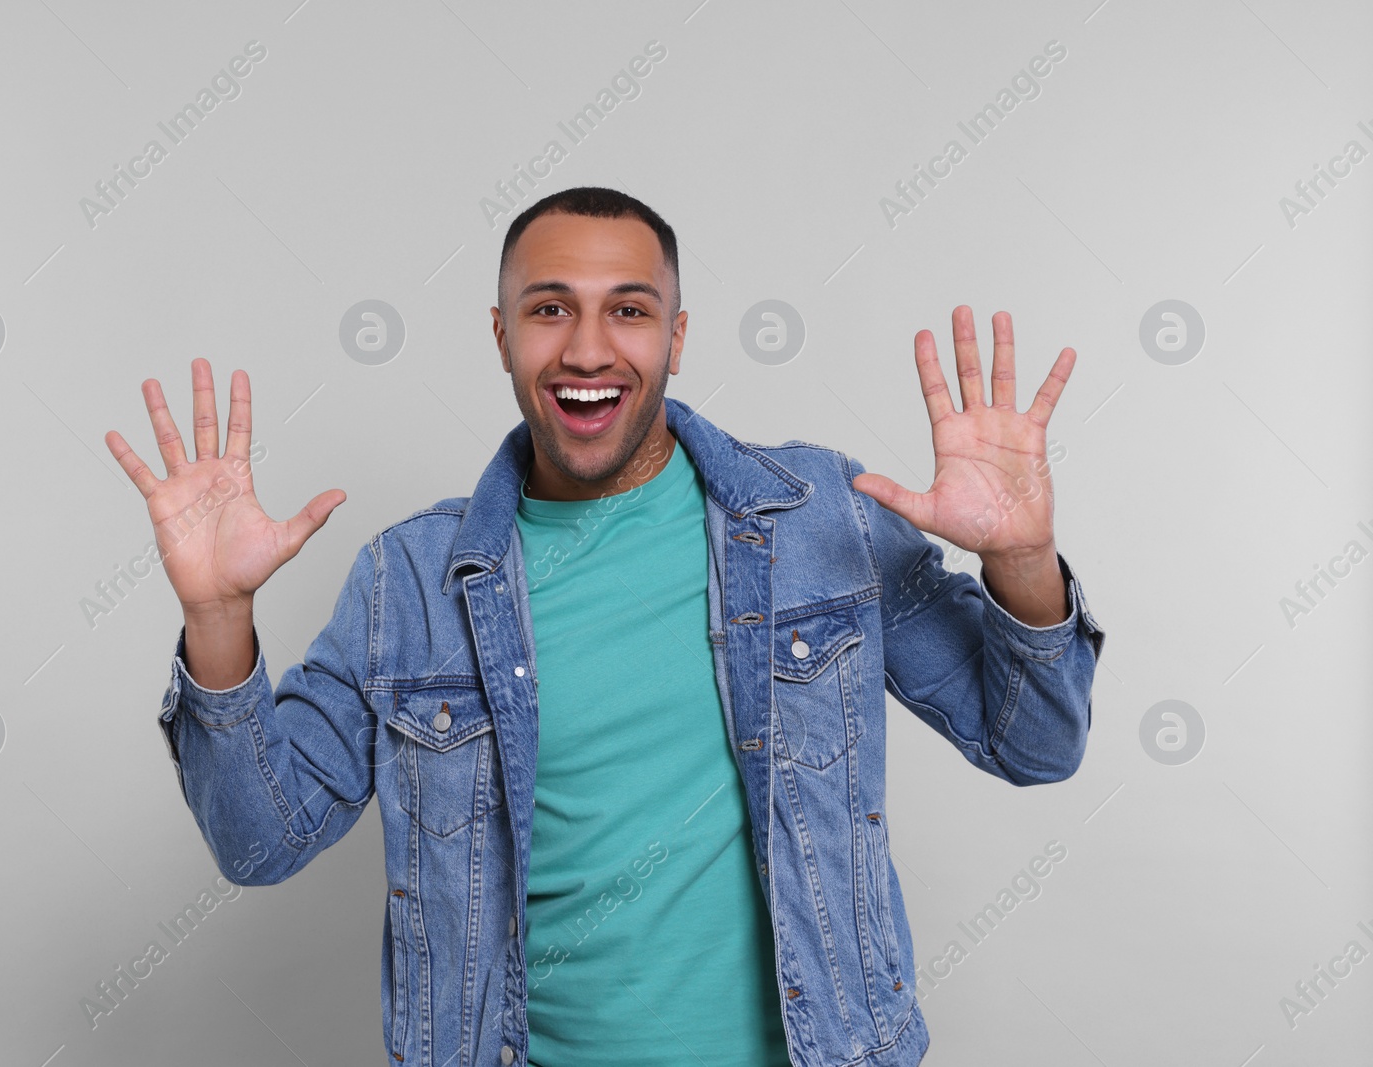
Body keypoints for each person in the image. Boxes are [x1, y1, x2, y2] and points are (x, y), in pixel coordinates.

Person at [105, 186, 1106, 1067]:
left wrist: (1019, 561)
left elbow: (1037, 743)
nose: (587, 349)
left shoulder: (818, 518)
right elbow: (259, 839)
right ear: (501, 334)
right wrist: (217, 616)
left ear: (675, 336)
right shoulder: (404, 582)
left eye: (628, 310)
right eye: (550, 310)